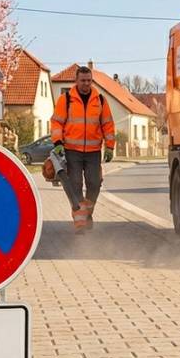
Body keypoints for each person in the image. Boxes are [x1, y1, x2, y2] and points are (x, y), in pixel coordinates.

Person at [50, 66, 115, 233]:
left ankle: (87, 213)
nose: (86, 83)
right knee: (75, 185)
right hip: (72, 150)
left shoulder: (100, 100)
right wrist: (57, 142)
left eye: (89, 80)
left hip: (93, 151)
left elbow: (107, 124)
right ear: (76, 81)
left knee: (95, 183)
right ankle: (80, 223)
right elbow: (57, 122)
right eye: (83, 80)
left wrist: (110, 146)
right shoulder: (66, 99)